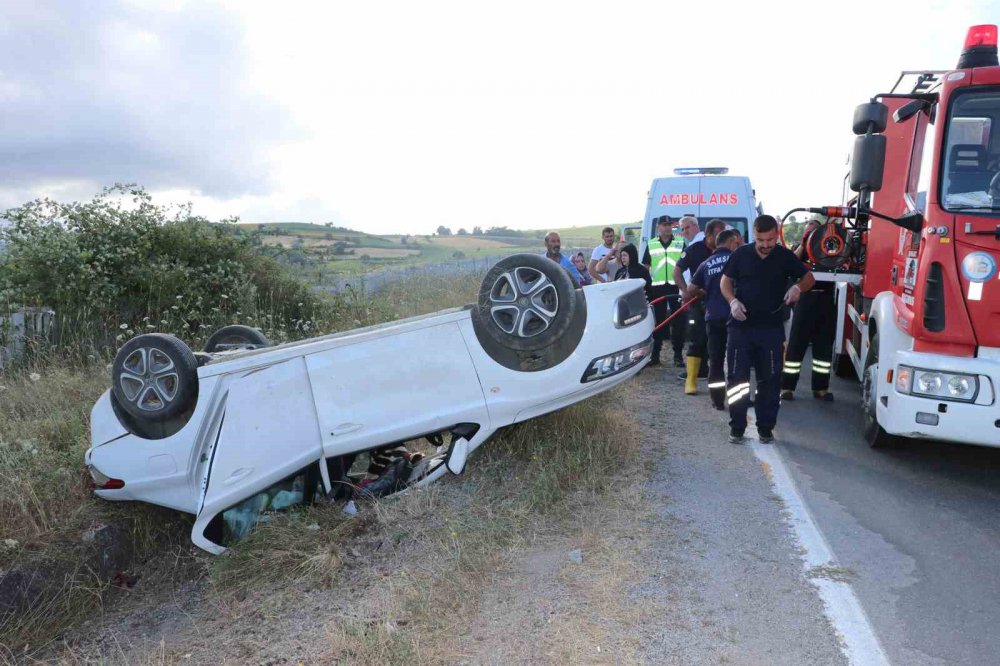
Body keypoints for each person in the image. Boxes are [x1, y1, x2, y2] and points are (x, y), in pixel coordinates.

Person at [720, 215, 816, 444]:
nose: (765, 245)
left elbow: (809, 278)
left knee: (770, 380)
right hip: (740, 328)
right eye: (761, 240)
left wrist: (797, 288)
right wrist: (732, 301)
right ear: (753, 236)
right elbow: (725, 282)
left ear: (777, 235)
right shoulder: (740, 255)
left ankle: (765, 428)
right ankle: (737, 427)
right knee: (737, 380)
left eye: (770, 239)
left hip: (771, 329)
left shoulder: (784, 256)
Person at [781, 219, 837, 402]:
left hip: (826, 301)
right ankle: (787, 387)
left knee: (823, 348)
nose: (812, 235)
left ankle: (821, 388)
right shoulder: (800, 248)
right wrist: (805, 243)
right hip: (805, 299)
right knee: (796, 346)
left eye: (815, 232)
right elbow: (791, 262)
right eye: (808, 232)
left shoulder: (829, 248)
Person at [688, 229, 744, 410]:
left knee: (716, 360)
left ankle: (717, 401)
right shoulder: (737, 260)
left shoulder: (706, 263)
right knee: (737, 360)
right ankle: (738, 400)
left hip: (712, 316)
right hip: (735, 316)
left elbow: (691, 288)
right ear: (731, 243)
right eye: (736, 243)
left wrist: (703, 292)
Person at [674, 218, 727, 393]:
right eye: (718, 235)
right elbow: (677, 270)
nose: (721, 239)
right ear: (708, 235)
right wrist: (685, 290)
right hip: (698, 303)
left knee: (720, 343)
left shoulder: (728, 250)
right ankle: (691, 380)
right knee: (696, 339)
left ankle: (719, 381)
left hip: (721, 304)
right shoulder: (694, 250)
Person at [641, 216, 686, 366]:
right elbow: (646, 267)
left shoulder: (680, 243)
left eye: (669, 225)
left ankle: (678, 355)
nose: (667, 227)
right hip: (657, 288)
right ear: (658, 227)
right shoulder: (652, 244)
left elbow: (687, 265)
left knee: (678, 322)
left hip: (676, 286)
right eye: (664, 225)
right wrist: (646, 287)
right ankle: (655, 356)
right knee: (658, 322)